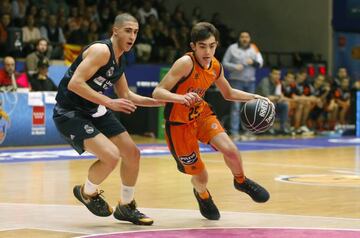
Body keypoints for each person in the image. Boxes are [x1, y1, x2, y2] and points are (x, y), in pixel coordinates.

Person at [152, 22, 270, 221]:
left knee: (231, 150)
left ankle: (240, 181)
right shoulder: (185, 63)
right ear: (193, 46)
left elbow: (229, 93)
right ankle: (202, 194)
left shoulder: (215, 65)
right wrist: (180, 98)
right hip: (179, 125)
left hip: (201, 115)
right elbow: (157, 92)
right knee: (201, 175)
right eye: (203, 46)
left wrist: (254, 97)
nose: (208, 51)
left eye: (212, 46)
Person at [53, 13, 163, 226]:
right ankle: (87, 192)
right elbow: (75, 84)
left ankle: (126, 206)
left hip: (95, 110)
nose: (133, 36)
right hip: (70, 112)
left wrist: (160, 103)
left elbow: (127, 96)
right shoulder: (101, 51)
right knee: (111, 156)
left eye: (136, 32)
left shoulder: (119, 59)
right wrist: (110, 103)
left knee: (132, 153)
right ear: (115, 31)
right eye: (128, 30)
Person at [222, 31, 263, 139]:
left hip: (250, 81)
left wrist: (253, 62)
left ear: (249, 38)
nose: (245, 39)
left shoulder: (254, 48)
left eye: (247, 37)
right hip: (236, 81)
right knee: (236, 107)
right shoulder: (232, 48)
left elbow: (260, 63)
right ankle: (234, 132)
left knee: (250, 108)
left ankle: (248, 132)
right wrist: (235, 67)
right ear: (239, 38)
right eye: (242, 37)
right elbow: (224, 63)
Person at [256, 67, 290, 135]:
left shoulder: (278, 83)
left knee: (285, 105)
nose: (277, 76)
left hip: (272, 103)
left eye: (279, 74)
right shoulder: (265, 81)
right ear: (270, 74)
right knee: (272, 104)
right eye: (275, 74)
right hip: (258, 106)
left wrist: (280, 98)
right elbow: (267, 97)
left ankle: (283, 128)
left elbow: (280, 96)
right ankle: (268, 128)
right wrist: (278, 98)